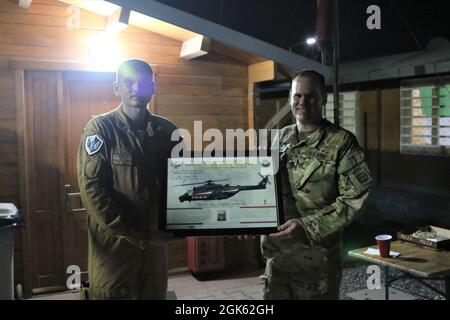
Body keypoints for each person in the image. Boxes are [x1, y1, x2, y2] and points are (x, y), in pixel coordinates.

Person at [260, 70, 372, 299]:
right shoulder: (281, 137)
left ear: (323, 98)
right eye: (297, 96)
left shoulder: (342, 142)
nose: (303, 102)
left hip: (317, 262)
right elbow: (264, 184)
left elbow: (355, 198)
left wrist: (307, 225)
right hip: (278, 259)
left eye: (310, 96)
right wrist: (246, 218)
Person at [77, 59, 179, 299]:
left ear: (152, 88)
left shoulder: (168, 131)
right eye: (128, 82)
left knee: (153, 294)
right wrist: (132, 231)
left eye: (143, 83)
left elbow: (183, 182)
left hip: (154, 245)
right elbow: (92, 189)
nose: (136, 88)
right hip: (114, 245)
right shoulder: (100, 129)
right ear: (116, 88)